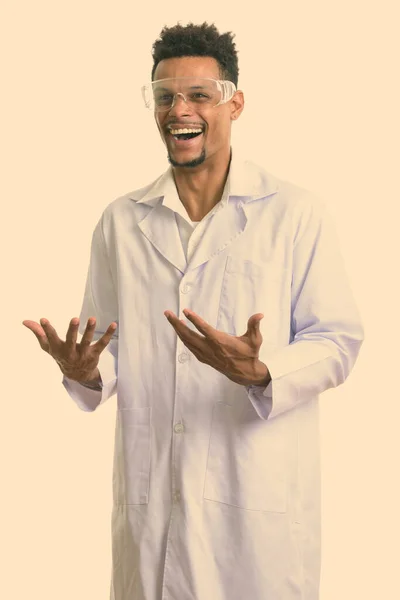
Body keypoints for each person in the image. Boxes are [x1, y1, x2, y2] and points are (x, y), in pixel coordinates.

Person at [23, 21, 364, 600]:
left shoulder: (295, 214)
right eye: (165, 96)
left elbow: (337, 340)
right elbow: (111, 346)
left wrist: (262, 371)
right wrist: (85, 371)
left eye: (198, 95)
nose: (179, 109)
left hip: (256, 514)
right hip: (153, 509)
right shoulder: (121, 221)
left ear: (234, 103)